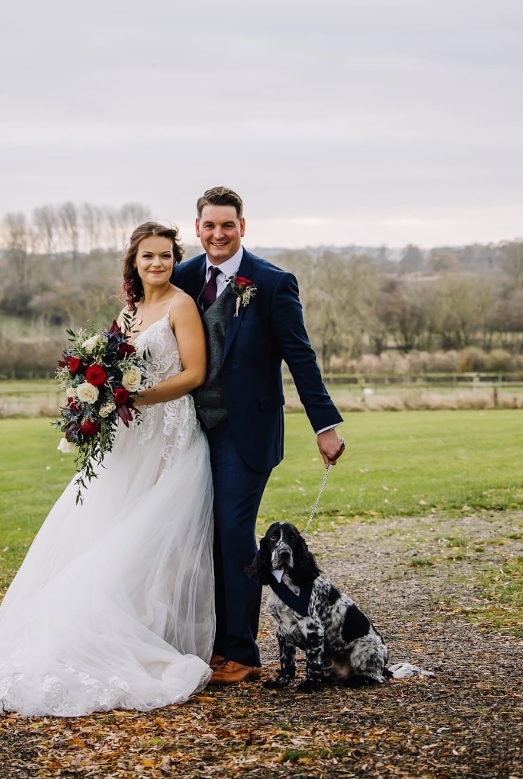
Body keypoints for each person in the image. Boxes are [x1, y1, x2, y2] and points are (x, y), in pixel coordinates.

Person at [0, 223, 215, 716]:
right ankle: (101, 631)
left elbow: (194, 374)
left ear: (175, 260)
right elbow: (109, 363)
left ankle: (148, 631)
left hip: (169, 434)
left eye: (166, 257)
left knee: (153, 534)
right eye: (148, 257)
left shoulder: (180, 305)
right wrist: (98, 400)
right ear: (134, 262)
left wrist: (136, 397)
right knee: (108, 528)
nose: (157, 265)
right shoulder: (127, 312)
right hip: (129, 436)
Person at [171, 186, 345, 686]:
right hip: (189, 428)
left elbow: (301, 356)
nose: (218, 234)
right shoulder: (182, 278)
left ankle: (242, 654)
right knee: (196, 537)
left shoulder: (271, 282)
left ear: (242, 227)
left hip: (247, 433)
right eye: (209, 226)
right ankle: (206, 643)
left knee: (231, 531)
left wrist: (325, 425)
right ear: (198, 228)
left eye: (227, 225)